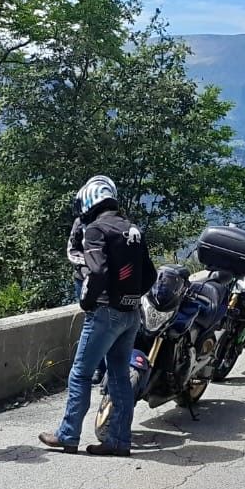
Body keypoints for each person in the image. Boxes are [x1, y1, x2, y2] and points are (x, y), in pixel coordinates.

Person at [40, 175, 157, 457]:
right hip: (131, 314)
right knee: (118, 377)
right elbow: (150, 274)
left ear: (90, 201)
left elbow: (98, 272)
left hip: (105, 313)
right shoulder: (132, 229)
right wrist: (129, 297)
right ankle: (119, 441)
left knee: (80, 373)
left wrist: (88, 302)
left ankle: (68, 436)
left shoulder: (95, 229)